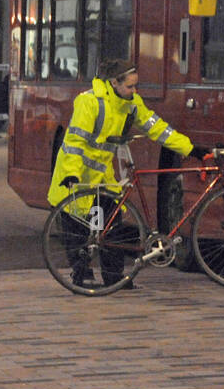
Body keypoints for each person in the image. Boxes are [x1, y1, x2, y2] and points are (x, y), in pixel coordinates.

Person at [47, 59, 205, 289]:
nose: (134, 91)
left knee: (112, 225)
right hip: (76, 175)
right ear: (114, 83)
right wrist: (72, 174)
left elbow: (157, 127)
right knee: (78, 230)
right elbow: (74, 142)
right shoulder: (89, 102)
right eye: (130, 86)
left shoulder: (131, 103)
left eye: (136, 86)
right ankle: (82, 276)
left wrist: (190, 148)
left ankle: (114, 278)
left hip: (102, 174)